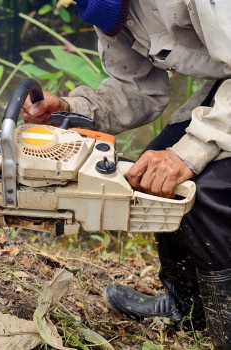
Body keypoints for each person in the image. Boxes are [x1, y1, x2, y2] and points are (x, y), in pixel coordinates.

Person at [22, 0, 231, 348]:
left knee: (205, 192)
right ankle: (188, 307)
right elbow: (138, 87)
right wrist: (74, 111)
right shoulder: (105, 8)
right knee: (154, 174)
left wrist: (191, 152)